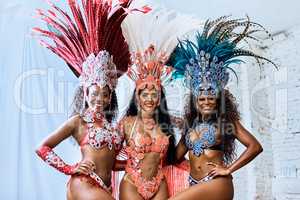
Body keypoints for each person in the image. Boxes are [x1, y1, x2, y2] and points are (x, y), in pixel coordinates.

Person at [33, 0, 149, 199]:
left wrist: (135, 161)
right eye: (94, 93)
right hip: (84, 183)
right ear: (86, 94)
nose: (99, 98)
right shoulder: (78, 122)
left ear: (110, 96)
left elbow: (109, 162)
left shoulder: (112, 127)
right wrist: (70, 168)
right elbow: (42, 148)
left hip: (103, 188)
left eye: (104, 94)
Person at [167, 16, 277, 200]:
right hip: (194, 182)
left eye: (212, 98)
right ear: (195, 101)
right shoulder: (190, 127)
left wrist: (228, 169)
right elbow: (175, 158)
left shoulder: (226, 122)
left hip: (215, 183)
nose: (207, 102)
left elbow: (255, 147)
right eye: (202, 99)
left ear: (219, 100)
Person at [117, 9, 201, 200]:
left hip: (159, 184)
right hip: (132, 184)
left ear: (159, 97)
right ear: (137, 97)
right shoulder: (127, 123)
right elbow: (109, 158)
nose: (148, 97)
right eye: (143, 93)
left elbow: (173, 156)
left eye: (153, 93)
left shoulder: (166, 124)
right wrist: (131, 163)